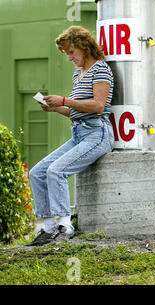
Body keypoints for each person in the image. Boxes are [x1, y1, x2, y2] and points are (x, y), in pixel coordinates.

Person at [27, 26, 115, 246]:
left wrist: (64, 100)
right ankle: (47, 228)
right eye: (66, 53)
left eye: (71, 52)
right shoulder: (79, 74)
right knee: (37, 172)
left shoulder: (101, 70)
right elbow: (75, 111)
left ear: (84, 48)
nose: (69, 58)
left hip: (97, 133)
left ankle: (64, 226)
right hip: (79, 132)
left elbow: (98, 105)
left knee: (56, 171)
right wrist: (55, 108)